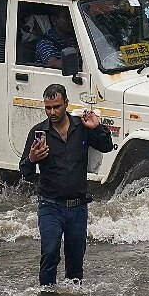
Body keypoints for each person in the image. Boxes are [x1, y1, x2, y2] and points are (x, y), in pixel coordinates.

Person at [19, 84, 114, 285]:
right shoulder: (38, 132)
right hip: (50, 206)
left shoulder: (82, 128)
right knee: (50, 252)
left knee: (75, 261)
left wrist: (97, 127)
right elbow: (25, 170)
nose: (52, 112)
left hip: (78, 208)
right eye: (48, 108)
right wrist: (32, 158)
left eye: (57, 107)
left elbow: (106, 147)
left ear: (67, 104)